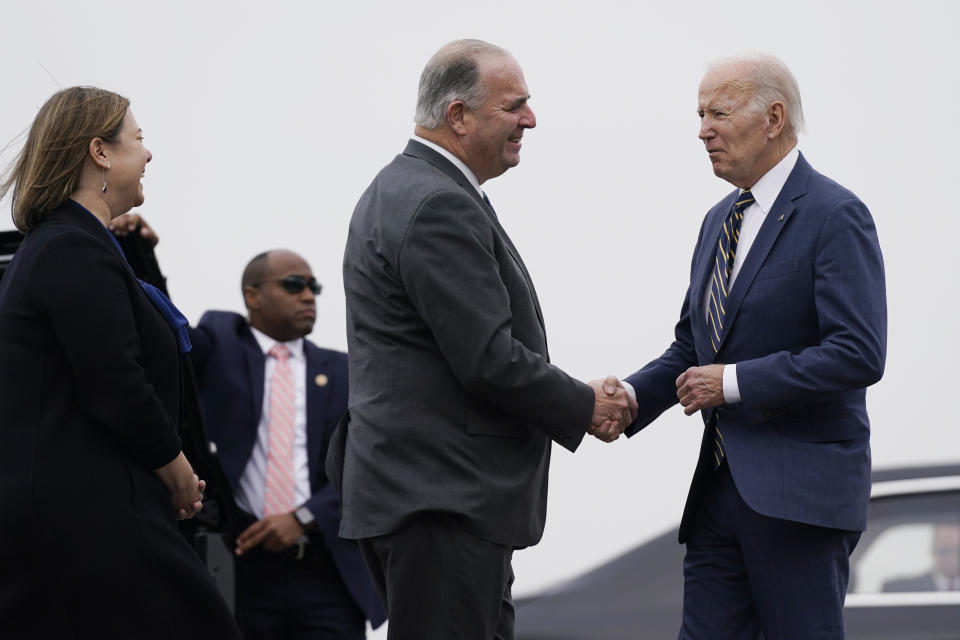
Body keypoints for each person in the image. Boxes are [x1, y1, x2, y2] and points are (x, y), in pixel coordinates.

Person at [328, 39, 635, 639]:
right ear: (459, 116)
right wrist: (583, 403)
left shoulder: (410, 188)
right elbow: (488, 360)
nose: (531, 119)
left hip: (431, 497)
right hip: (441, 498)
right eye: (514, 105)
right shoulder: (437, 202)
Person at [618, 54, 887, 639]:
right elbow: (690, 349)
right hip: (717, 495)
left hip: (799, 499)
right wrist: (625, 400)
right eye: (699, 114)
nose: (702, 130)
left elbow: (859, 352)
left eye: (718, 112)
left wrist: (733, 383)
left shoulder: (835, 214)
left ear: (773, 117)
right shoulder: (718, 220)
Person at [0, 87, 241, 639]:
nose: (149, 154)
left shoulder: (73, 244)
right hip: (90, 518)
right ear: (100, 153)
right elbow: (114, 379)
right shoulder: (69, 247)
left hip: (85, 514)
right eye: (137, 139)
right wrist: (177, 469)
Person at [108, 215, 387, 638]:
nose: (308, 295)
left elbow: (366, 460)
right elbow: (165, 330)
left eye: (314, 287)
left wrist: (304, 517)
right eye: (294, 285)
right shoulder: (221, 343)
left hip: (325, 569)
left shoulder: (346, 371)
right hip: (237, 568)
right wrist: (138, 253)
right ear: (252, 296)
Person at [883, 524, 960, 592]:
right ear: (933, 551)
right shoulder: (897, 590)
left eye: (958, 551)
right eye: (944, 551)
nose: (952, 558)